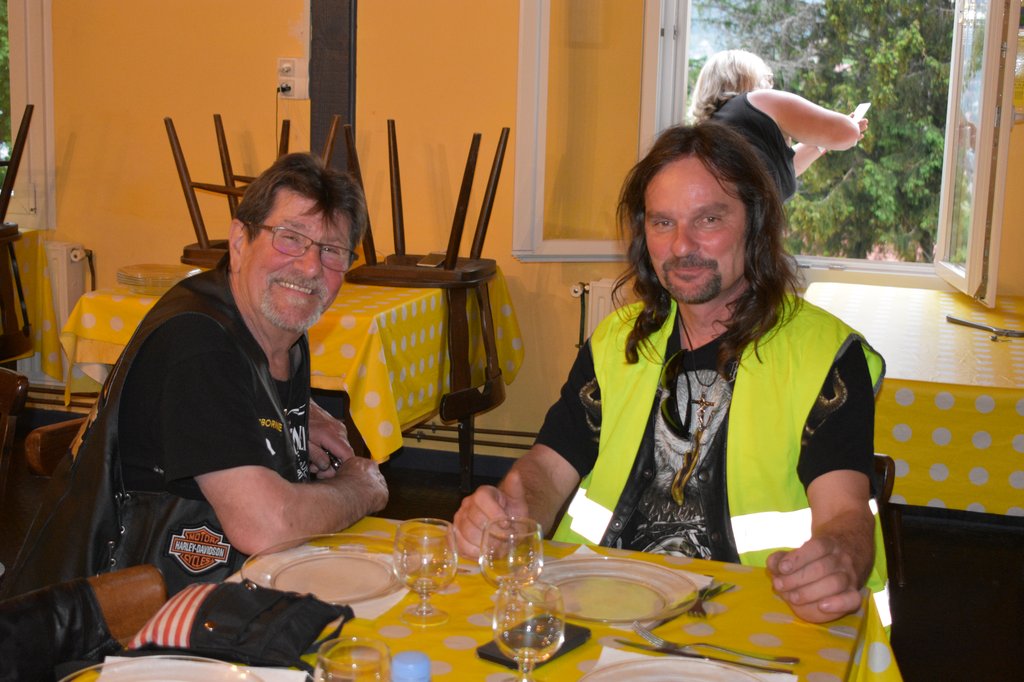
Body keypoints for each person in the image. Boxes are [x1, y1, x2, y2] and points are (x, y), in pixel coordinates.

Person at [454, 123, 888, 625]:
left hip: (756, 620)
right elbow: (548, 469)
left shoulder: (823, 354)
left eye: (709, 219)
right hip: (603, 609)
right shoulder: (618, 341)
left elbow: (845, 513)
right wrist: (512, 509)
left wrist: (839, 556)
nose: (682, 246)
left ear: (756, 223)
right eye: (663, 223)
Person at [2, 153, 388, 598]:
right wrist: (360, 487)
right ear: (239, 241)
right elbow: (265, 526)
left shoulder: (278, 332)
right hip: (109, 617)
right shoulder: (197, 343)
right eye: (290, 238)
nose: (310, 267)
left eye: (332, 250)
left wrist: (291, 413)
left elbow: (231, 385)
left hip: (205, 593)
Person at [688, 49, 868, 202]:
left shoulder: (719, 129)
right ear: (745, 78)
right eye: (765, 78)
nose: (769, 85)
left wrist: (824, 138)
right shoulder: (758, 100)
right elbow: (847, 133)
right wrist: (844, 127)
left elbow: (783, 170)